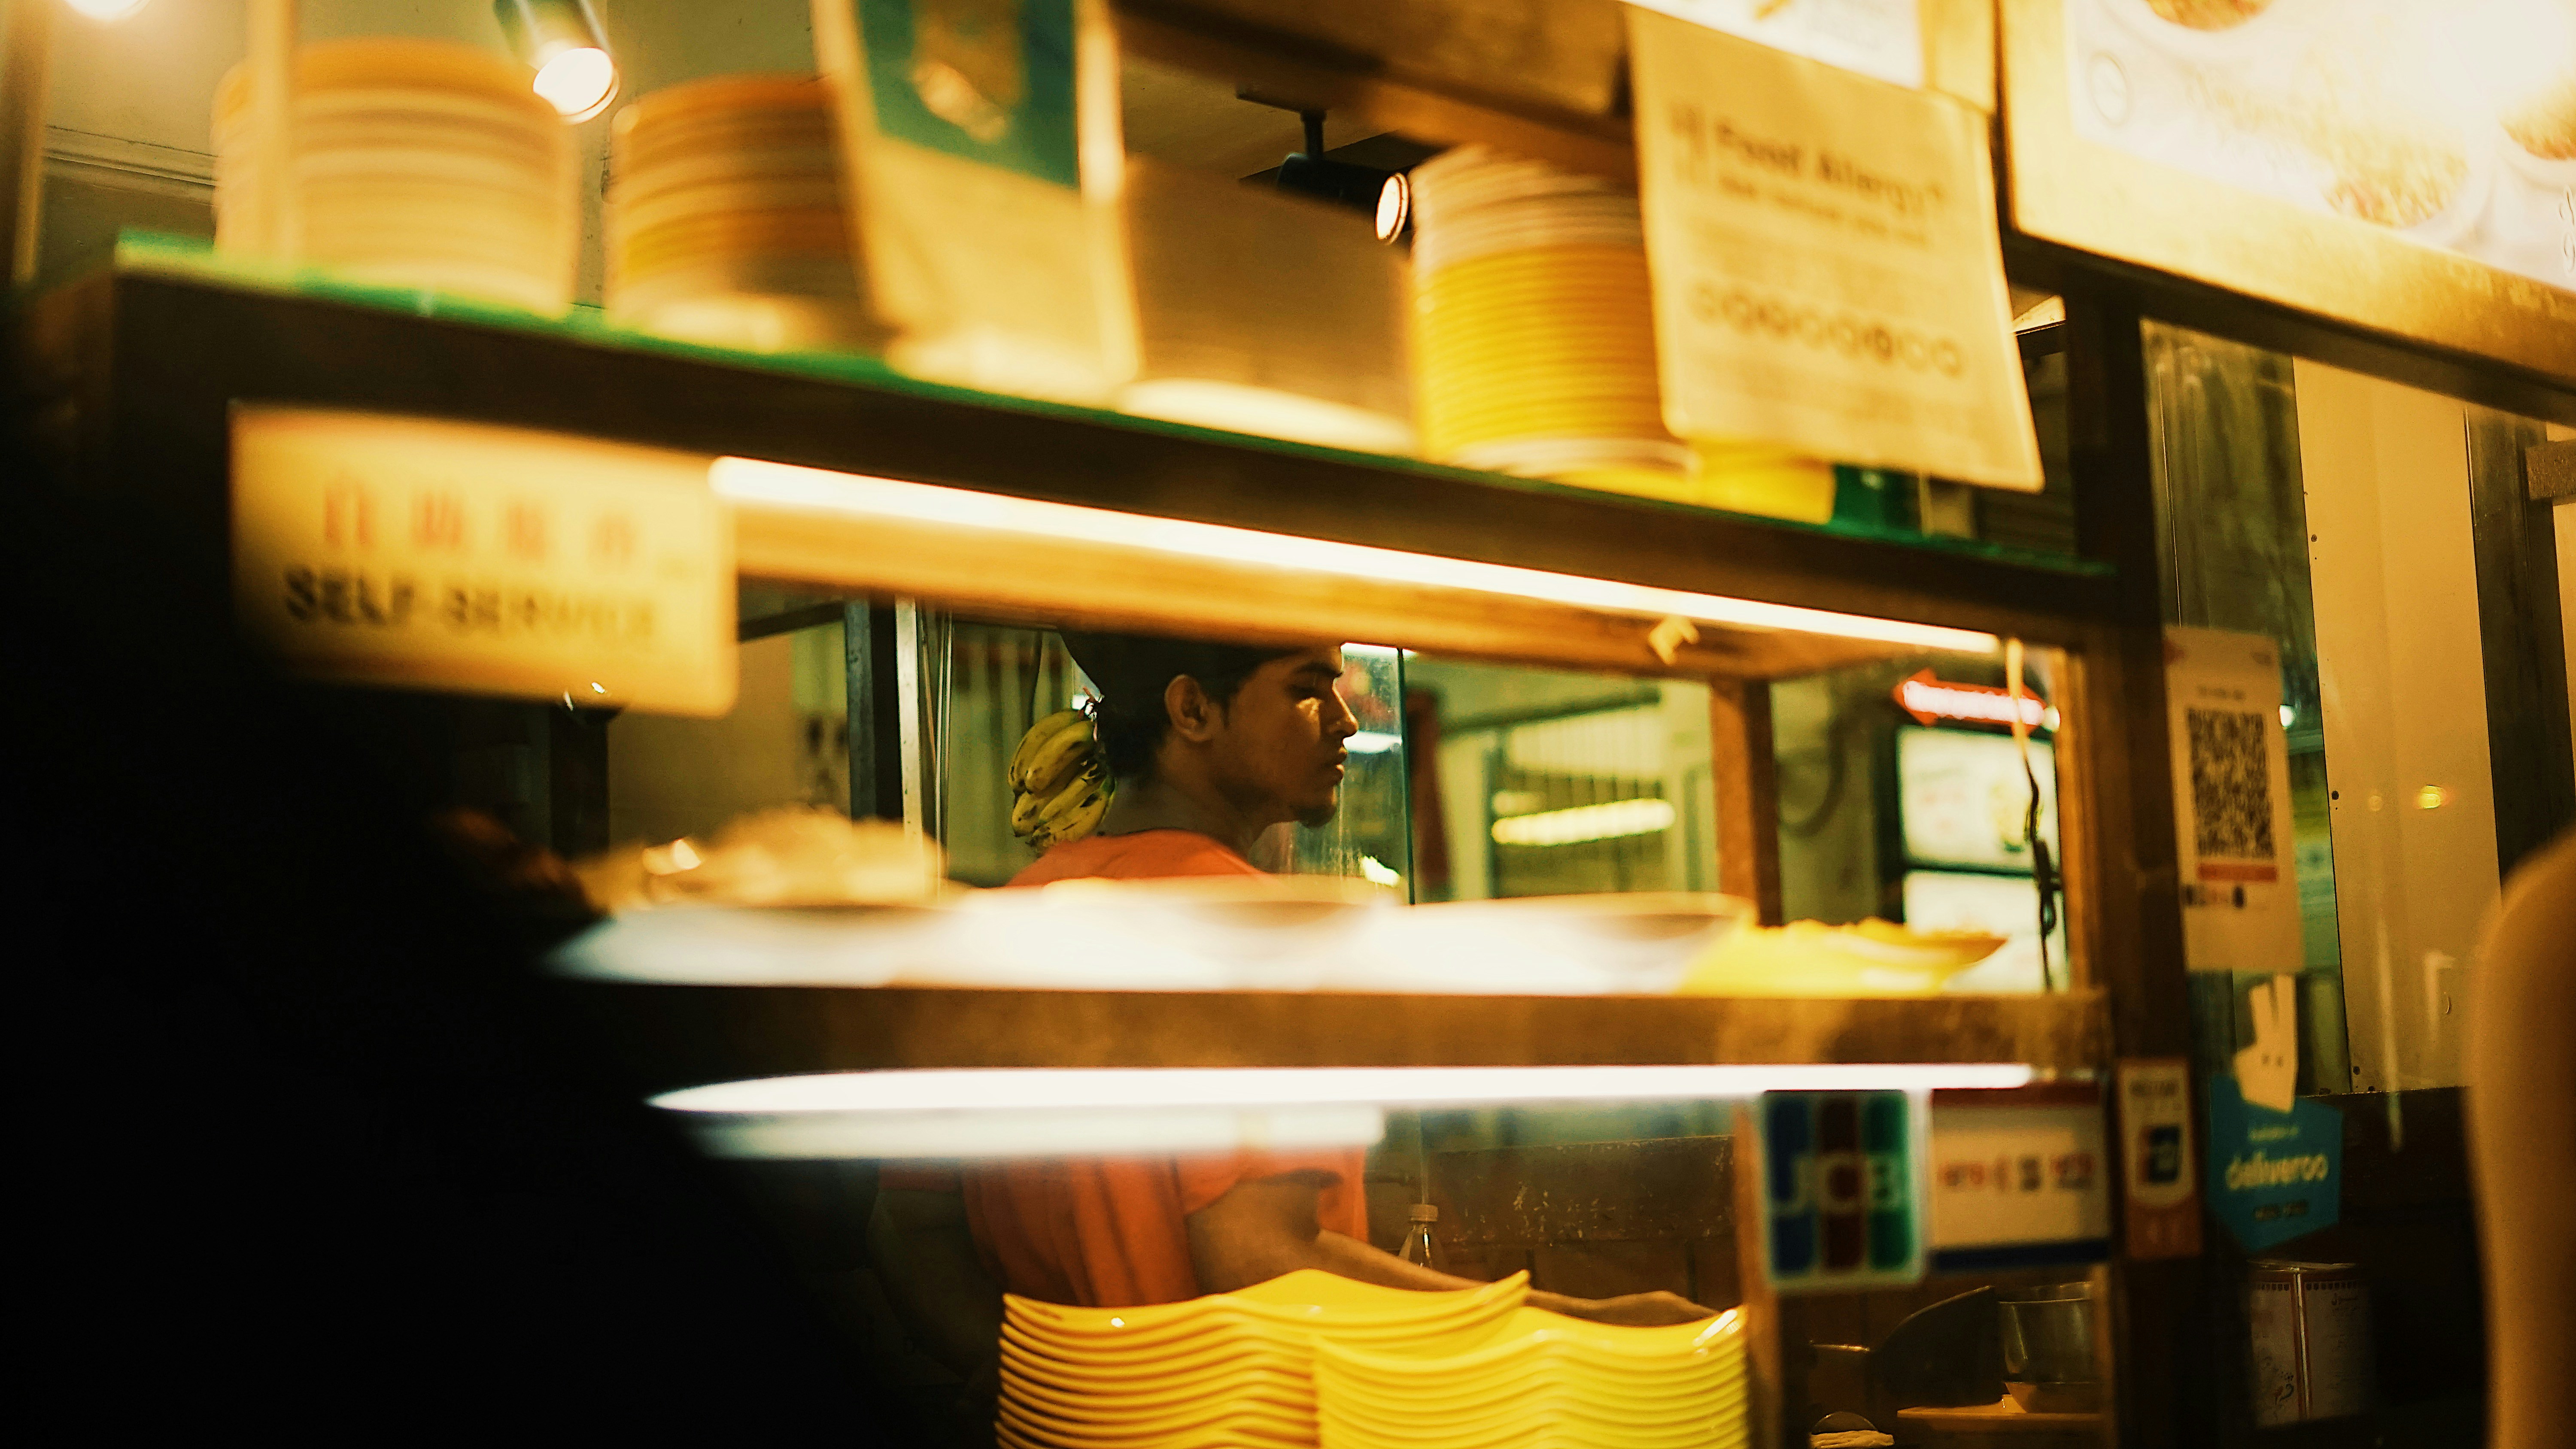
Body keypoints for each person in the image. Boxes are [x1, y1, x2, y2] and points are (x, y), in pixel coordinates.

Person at [869, 631, 1713, 1412]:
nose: (1346, 719)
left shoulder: (1011, 917)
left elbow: (910, 1225)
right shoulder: (1257, 934)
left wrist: (1050, 1395)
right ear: (1193, 708)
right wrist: (1582, 1324)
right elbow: (1261, 1255)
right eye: (1310, 690)